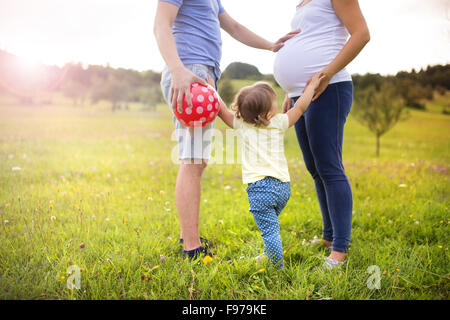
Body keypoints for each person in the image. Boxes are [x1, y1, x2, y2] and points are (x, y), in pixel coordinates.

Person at [153, 0, 299, 260]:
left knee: (195, 160)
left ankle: (189, 238)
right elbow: (161, 24)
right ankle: (191, 247)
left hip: (201, 73)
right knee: (193, 160)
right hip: (189, 72)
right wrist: (178, 70)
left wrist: (270, 45)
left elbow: (233, 26)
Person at [273, 0, 370, 269]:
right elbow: (308, 43)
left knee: (329, 166)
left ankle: (340, 249)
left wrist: (327, 74)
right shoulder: (302, 3)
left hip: (330, 88)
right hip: (301, 95)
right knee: (315, 168)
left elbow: (362, 34)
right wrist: (289, 91)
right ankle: (328, 238)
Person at [212, 72, 324, 268]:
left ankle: (277, 266)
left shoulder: (242, 125)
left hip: (260, 190)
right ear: (267, 113)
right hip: (283, 188)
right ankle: (270, 253)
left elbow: (222, 111)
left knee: (270, 230)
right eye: (273, 102)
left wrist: (211, 89)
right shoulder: (279, 123)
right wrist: (312, 86)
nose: (277, 103)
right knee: (271, 225)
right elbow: (301, 107)